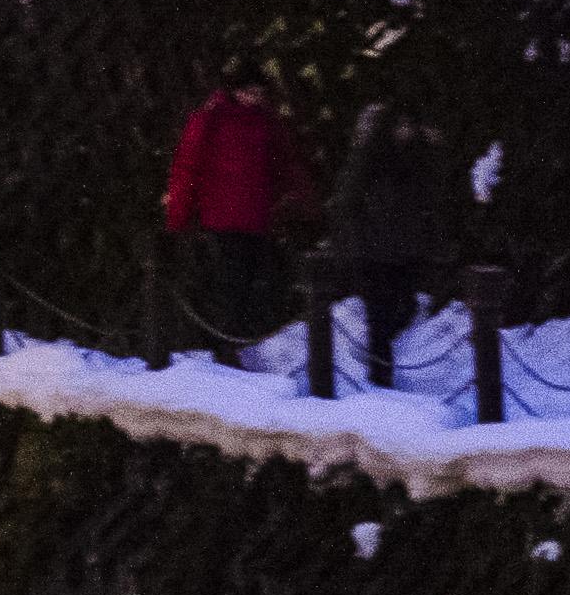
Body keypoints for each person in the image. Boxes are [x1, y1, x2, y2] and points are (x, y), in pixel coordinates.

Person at [164, 65, 315, 355]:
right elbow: (188, 167)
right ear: (235, 91)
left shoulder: (265, 122)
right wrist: (179, 215)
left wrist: (300, 202)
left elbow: (285, 165)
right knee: (232, 284)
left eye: (259, 93)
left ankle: (233, 345)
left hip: (255, 216)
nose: (255, 98)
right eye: (250, 92)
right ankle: (225, 347)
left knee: (246, 283)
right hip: (223, 216)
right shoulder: (211, 119)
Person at [332, 100, 465, 386]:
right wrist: (359, 240)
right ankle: (380, 377)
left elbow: (435, 197)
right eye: (399, 125)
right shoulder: (371, 158)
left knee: (403, 309)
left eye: (409, 126)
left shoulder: (419, 160)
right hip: (374, 252)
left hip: (407, 251)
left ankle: (379, 366)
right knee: (379, 317)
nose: (405, 132)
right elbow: (347, 201)